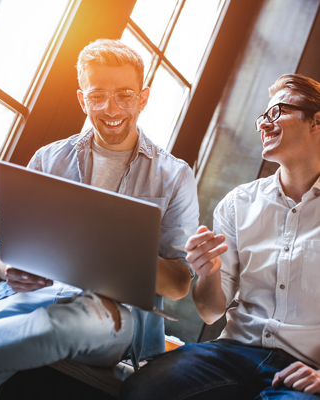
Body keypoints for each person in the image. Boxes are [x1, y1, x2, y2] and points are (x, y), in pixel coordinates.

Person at [0, 39, 199, 400]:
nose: (111, 109)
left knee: (57, 326)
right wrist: (7, 269)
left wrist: (119, 247)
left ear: (143, 98)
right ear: (82, 99)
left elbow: (179, 284)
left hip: (112, 316)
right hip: (28, 296)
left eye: (125, 95)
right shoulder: (49, 159)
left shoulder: (174, 175)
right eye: (97, 96)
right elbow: (5, 249)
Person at [119, 73, 320, 400]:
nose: (264, 125)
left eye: (277, 112)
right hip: (232, 353)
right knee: (143, 389)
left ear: (316, 121)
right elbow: (211, 311)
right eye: (262, 117)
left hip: (306, 367)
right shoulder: (239, 203)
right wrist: (210, 271)